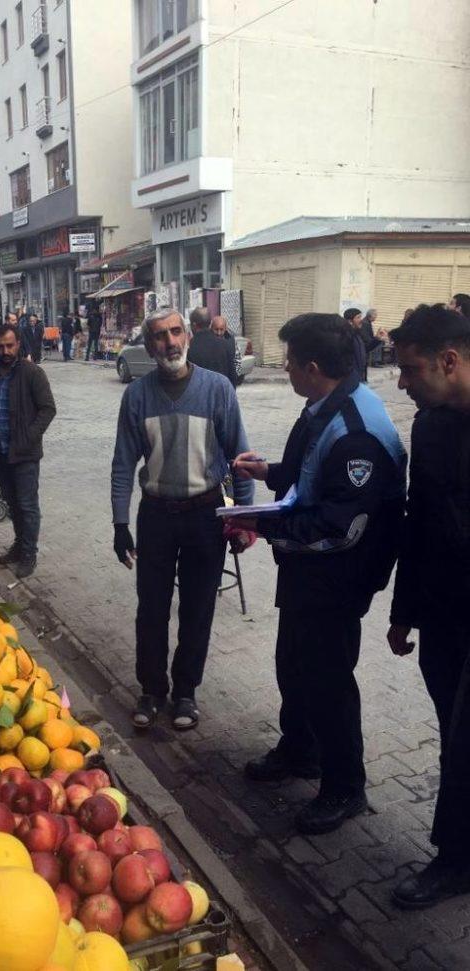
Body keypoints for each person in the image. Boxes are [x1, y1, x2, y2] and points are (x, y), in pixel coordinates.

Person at [232, 313, 405, 835]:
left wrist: (259, 526)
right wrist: (271, 474)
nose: (284, 369)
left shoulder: (357, 432)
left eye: (288, 362)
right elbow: (311, 477)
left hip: (337, 575)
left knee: (328, 679)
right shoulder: (321, 407)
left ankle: (344, 787)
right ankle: (300, 749)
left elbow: (340, 527)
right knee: (294, 663)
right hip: (307, 569)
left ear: (311, 367)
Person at [111, 308, 254, 732]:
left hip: (205, 515)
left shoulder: (218, 390)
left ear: (188, 335)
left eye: (175, 332)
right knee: (150, 609)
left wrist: (246, 520)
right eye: (159, 336)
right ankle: (152, 689)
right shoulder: (136, 396)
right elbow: (123, 464)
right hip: (155, 515)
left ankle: (186, 691)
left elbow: (240, 458)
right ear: (149, 344)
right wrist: (121, 525)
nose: (169, 342)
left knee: (197, 609)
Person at [386, 305, 470, 908]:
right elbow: (419, 521)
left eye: (411, 369)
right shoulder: (431, 426)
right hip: (445, 617)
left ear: (450, 360)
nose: (401, 382)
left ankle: (454, 860)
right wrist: (403, 609)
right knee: (453, 733)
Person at [0, 323, 56, 579]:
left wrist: (27, 438)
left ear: (19, 344)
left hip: (24, 454)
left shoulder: (32, 373)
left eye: (10, 345)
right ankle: (19, 544)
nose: (5, 351)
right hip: (0, 452)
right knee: (12, 503)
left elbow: (48, 409)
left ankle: (29, 553)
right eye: (0, 346)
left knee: (27, 505)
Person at [187, 308, 238, 387]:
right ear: (210, 323)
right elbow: (233, 376)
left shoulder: (189, 347)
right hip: (221, 395)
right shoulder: (225, 345)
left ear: (194, 325)